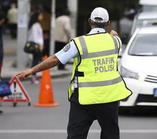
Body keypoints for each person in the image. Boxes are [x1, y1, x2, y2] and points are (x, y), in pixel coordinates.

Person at [16, 7, 132, 139]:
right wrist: (113, 34)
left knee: (76, 136)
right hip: (110, 98)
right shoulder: (116, 41)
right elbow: (113, 36)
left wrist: (32, 70)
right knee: (110, 135)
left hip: (84, 98)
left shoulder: (79, 43)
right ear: (108, 23)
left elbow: (55, 59)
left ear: (89, 21)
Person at [27, 12, 44, 84]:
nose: (42, 17)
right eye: (40, 15)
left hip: (37, 45)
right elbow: (35, 37)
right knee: (35, 61)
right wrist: (39, 45)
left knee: (36, 61)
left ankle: (34, 76)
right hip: (36, 46)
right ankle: (33, 77)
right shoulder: (35, 25)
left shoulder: (37, 25)